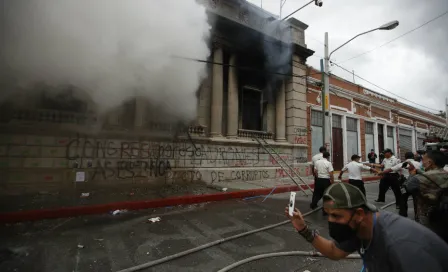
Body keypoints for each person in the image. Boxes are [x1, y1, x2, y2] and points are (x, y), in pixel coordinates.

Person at [285, 182, 448, 272]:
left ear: (359, 214)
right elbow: (335, 252)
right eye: (328, 215)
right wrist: (303, 229)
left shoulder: (402, 246)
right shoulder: (360, 227)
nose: (331, 221)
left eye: (336, 215)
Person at [406, 150, 448, 243]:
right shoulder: (445, 173)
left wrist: (412, 175)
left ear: (430, 162)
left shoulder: (420, 178)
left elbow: (408, 187)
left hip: (428, 217)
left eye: (423, 160)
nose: (422, 162)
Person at [379, 152, 421, 218]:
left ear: (405, 157)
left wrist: (381, 172)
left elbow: (390, 169)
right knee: (416, 200)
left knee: (403, 199)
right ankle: (417, 216)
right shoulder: (419, 164)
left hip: (405, 184)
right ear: (413, 157)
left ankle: (403, 215)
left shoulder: (401, 164)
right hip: (416, 184)